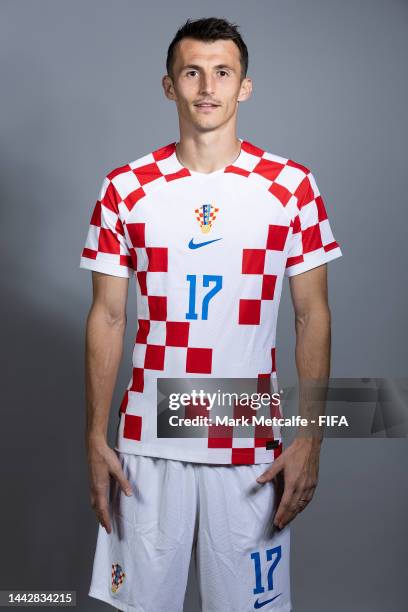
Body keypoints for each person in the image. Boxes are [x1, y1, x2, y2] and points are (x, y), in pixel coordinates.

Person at [79, 16, 342, 612]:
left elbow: (312, 316)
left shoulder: (291, 186)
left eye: (222, 73)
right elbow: (108, 318)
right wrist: (95, 436)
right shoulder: (126, 188)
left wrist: (312, 440)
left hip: (249, 438)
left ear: (244, 85)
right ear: (169, 86)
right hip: (147, 439)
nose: (207, 87)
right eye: (192, 72)